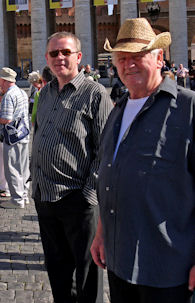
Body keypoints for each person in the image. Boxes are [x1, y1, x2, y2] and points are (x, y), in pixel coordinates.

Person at [90, 18, 195, 303]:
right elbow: (109, 177)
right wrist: (101, 233)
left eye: (138, 56)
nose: (129, 64)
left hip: (168, 266)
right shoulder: (117, 110)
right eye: (122, 58)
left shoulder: (188, 107)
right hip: (120, 260)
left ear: (160, 57)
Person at [31, 32, 113, 303]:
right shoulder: (44, 94)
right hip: (46, 197)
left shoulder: (95, 94)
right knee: (58, 272)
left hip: (77, 199)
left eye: (65, 52)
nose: (60, 58)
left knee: (87, 276)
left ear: (78, 56)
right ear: (47, 58)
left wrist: (88, 196)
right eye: (54, 53)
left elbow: (106, 151)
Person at [0, 67, 30, 209]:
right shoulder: (21, 92)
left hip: (12, 136)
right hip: (24, 134)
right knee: (23, 168)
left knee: (13, 168)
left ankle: (16, 199)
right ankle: (24, 195)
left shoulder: (9, 95)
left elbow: (7, 118)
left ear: (4, 80)